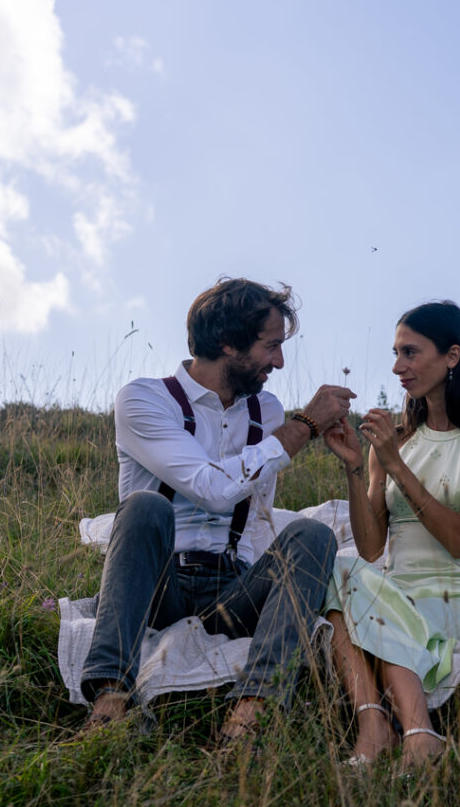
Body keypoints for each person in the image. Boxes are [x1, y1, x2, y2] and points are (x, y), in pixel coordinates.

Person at [80, 277, 355, 740]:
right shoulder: (145, 399)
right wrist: (305, 426)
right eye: (271, 347)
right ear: (228, 343)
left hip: (232, 591)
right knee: (145, 506)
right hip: (158, 587)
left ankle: (254, 709)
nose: (279, 362)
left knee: (314, 535)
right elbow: (211, 488)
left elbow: (256, 508)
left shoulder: (265, 410)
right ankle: (111, 699)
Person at [323, 301, 460, 772]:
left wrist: (397, 465)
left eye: (410, 353)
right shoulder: (394, 441)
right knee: (340, 565)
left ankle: (413, 732)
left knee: (363, 594)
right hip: (399, 593)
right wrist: (358, 465)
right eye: (395, 353)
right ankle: (376, 727)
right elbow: (372, 548)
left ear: (452, 356)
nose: (397, 367)